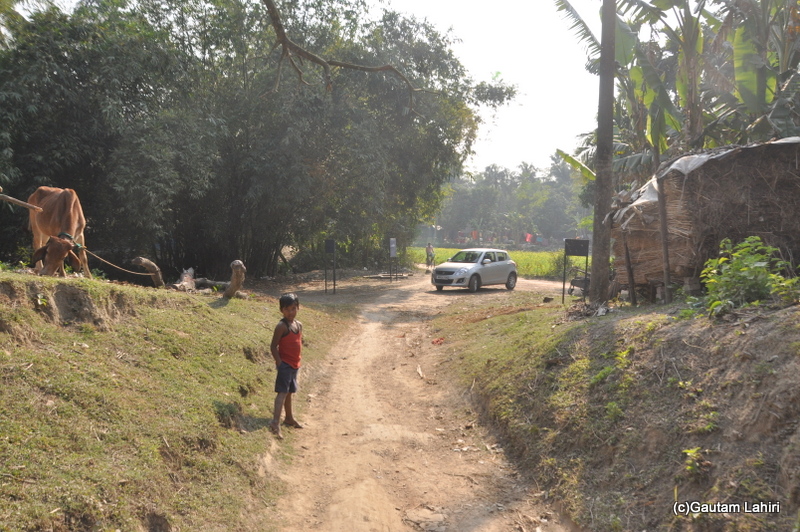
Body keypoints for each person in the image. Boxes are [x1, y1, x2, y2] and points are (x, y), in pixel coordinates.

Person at [269, 293, 304, 440]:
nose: (291, 312)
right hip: (285, 365)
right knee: (282, 393)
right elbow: (273, 346)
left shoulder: (298, 325)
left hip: (295, 365)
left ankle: (289, 418)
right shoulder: (281, 326)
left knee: (290, 392)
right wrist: (279, 362)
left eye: (294, 308)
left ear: (298, 308)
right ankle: (275, 423)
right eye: (287, 309)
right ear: (281, 310)